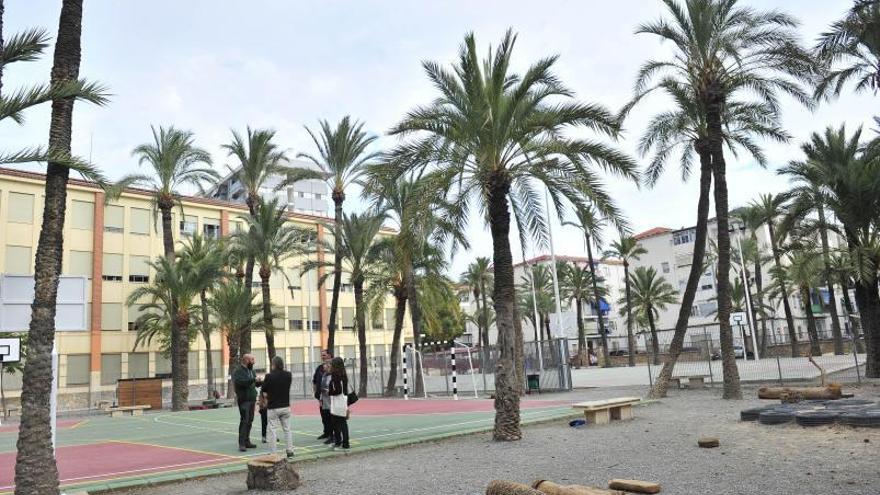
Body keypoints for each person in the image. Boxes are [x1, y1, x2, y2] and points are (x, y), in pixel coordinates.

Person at [262, 355, 294, 458]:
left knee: (272, 430)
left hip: (273, 407)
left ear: (274, 364)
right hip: (285, 405)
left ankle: (273, 453)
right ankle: (290, 451)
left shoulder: (269, 376)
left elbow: (264, 391)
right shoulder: (288, 375)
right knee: (287, 429)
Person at [233, 354, 262, 452]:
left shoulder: (252, 371)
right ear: (246, 360)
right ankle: (241, 443)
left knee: (250, 420)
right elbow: (242, 383)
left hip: (252, 399)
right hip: (244, 400)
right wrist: (253, 379)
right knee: (244, 420)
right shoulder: (238, 372)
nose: (254, 362)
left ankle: (247, 441)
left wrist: (260, 382)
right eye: (252, 360)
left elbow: (254, 384)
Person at [328, 356, 350, 450]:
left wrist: (329, 391)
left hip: (338, 401)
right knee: (339, 422)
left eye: (332, 364)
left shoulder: (336, 375)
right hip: (343, 400)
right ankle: (339, 442)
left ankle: (344, 444)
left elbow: (338, 390)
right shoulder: (343, 374)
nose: (330, 365)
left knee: (339, 422)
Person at [312, 349, 333, 441]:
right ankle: (326, 433)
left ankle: (333, 435)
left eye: (324, 355)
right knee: (324, 416)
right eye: (322, 355)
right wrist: (316, 393)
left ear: (329, 356)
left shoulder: (334, 368)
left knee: (331, 417)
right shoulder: (319, 368)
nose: (322, 357)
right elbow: (315, 381)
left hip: (331, 398)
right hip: (322, 397)